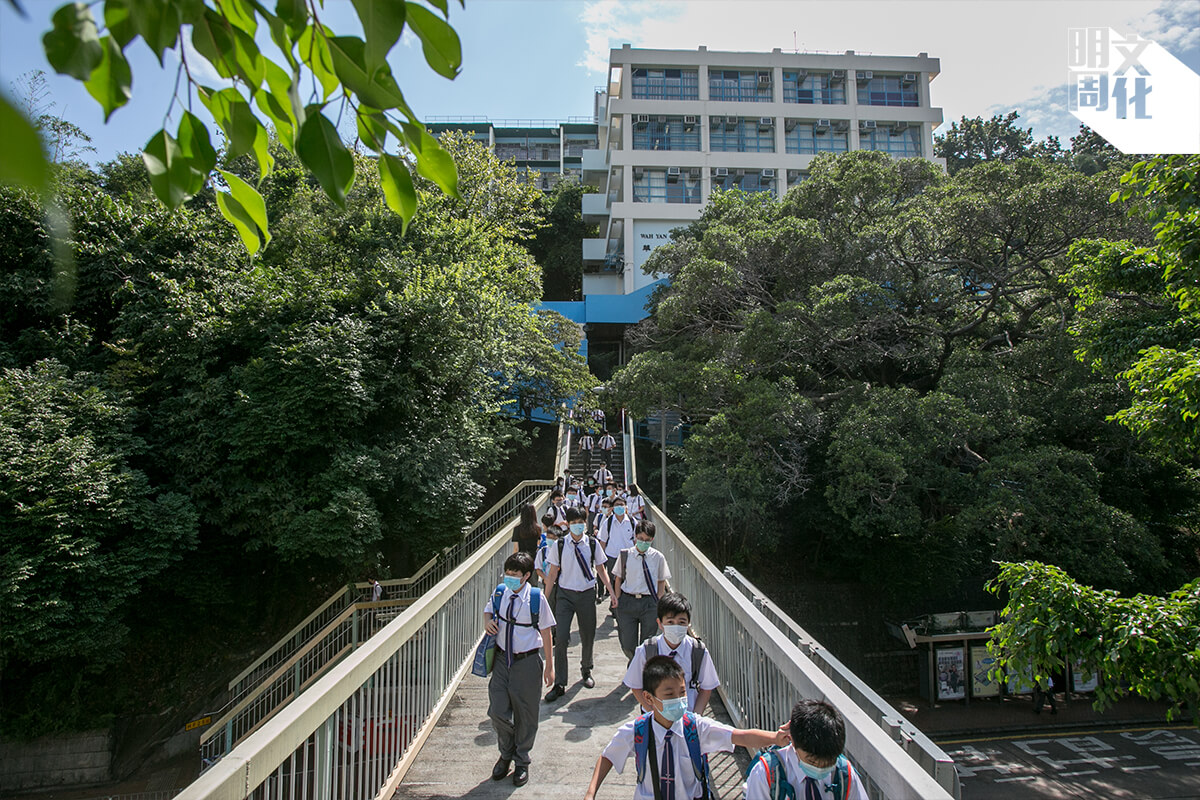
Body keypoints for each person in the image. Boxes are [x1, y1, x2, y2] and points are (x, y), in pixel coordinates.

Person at [584, 655, 788, 800]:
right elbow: (608, 755)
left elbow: (740, 736)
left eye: (682, 693)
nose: (679, 700)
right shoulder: (637, 731)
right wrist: (591, 793)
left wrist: (775, 739)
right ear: (649, 698)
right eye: (669, 694)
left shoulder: (695, 728)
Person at [483, 552, 556, 787]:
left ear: (526, 576)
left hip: (527, 661)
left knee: (527, 713)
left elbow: (546, 632)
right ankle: (507, 752)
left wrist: (550, 667)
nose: (511, 578)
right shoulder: (501, 593)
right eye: (508, 573)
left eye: (516, 574)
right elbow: (488, 610)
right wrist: (487, 621)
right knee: (497, 710)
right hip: (503, 660)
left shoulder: (535, 598)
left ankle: (521, 760)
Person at [543, 506, 615, 702]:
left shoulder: (591, 544)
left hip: (586, 594)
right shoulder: (560, 545)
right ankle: (560, 682)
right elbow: (552, 574)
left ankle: (586, 669)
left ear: (586, 523)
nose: (577, 526)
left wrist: (611, 592)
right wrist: (544, 599)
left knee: (588, 634)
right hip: (565, 595)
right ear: (567, 524)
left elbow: (601, 569)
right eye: (573, 523)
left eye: (580, 522)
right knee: (562, 637)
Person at [744, 699, 869, 800]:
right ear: (792, 740)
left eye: (829, 763)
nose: (820, 768)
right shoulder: (766, 774)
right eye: (812, 762)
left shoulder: (844, 774)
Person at [624, 592, 720, 714]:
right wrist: (652, 713)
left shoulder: (697, 651)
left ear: (688, 623)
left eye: (681, 622)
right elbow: (635, 685)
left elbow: (707, 686)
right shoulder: (647, 650)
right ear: (660, 623)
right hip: (655, 717)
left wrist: (696, 717)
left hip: (688, 716)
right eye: (670, 622)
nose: (676, 627)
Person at [612, 521, 671, 661]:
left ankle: (639, 671)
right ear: (635, 537)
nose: (643, 542)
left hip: (649, 602)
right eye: (640, 539)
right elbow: (618, 578)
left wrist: (658, 600)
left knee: (648, 642)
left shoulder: (658, 557)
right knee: (627, 642)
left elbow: (661, 580)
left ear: (652, 539)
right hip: (628, 600)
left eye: (647, 540)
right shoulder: (626, 555)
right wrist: (618, 599)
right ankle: (634, 662)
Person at [598, 496, 636, 603]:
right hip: (612, 556)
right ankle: (614, 603)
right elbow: (603, 541)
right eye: (616, 505)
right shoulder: (608, 522)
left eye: (621, 505)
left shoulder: (633, 522)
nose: (619, 507)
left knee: (627, 581)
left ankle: (624, 603)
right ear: (612, 508)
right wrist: (600, 558)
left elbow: (636, 540)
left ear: (626, 507)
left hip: (629, 557)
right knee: (613, 581)